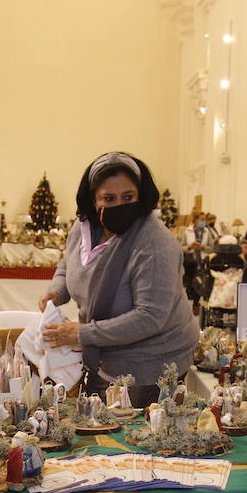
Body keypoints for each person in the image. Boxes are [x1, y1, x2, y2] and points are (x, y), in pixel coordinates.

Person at [38, 152, 197, 406]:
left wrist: (83, 333)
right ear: (93, 199)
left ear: (140, 196)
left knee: (134, 436)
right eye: (109, 199)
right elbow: (68, 265)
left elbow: (149, 317)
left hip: (149, 365)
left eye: (128, 197)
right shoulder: (83, 228)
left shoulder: (154, 243)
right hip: (103, 354)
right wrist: (56, 292)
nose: (119, 206)